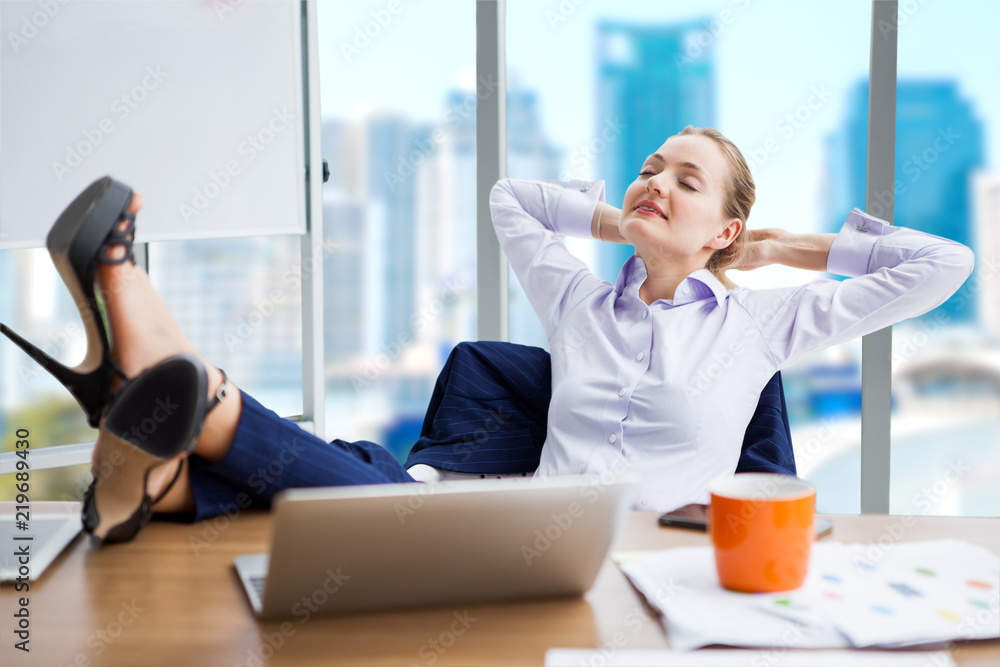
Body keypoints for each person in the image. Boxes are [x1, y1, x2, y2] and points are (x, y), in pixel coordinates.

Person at [2, 125, 973, 544]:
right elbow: (511, 199)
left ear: (722, 227)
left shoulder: (763, 323)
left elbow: (944, 267)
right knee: (383, 508)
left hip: (641, 557)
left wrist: (780, 247)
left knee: (352, 496)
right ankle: (155, 441)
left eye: (685, 180)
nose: (654, 182)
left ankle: (151, 434)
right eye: (648, 165)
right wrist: (616, 218)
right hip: (511, 526)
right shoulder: (577, 299)